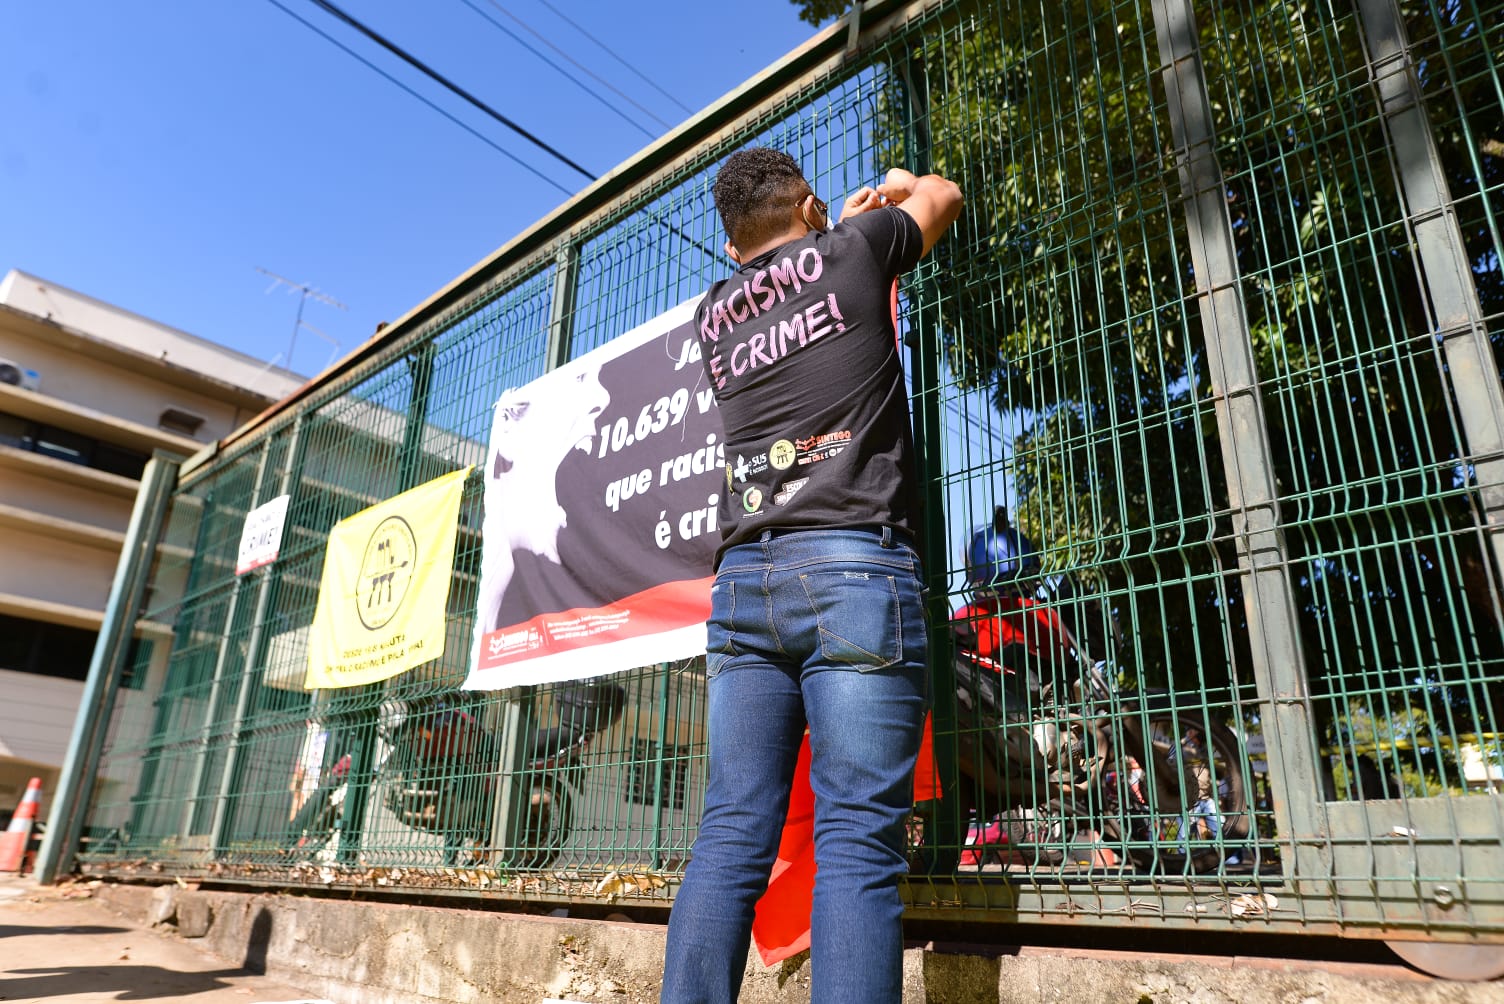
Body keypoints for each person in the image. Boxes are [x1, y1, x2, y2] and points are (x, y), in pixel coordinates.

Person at [659, 148, 962, 1004]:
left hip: (744, 580)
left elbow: (783, 280)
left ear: (727, 247)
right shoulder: (855, 250)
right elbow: (941, 195)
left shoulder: (711, 316)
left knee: (729, 835)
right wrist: (878, 204)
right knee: (860, 842)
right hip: (852, 568)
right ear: (813, 206)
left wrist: (842, 221)